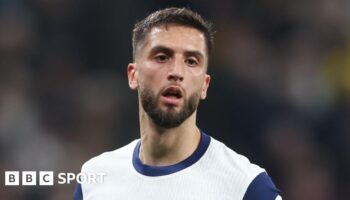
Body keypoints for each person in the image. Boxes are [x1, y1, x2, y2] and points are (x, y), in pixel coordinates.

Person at [73, 7, 282, 200]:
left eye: (191, 61)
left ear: (204, 86)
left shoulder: (246, 187)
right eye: (162, 57)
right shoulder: (94, 178)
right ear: (133, 75)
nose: (176, 72)